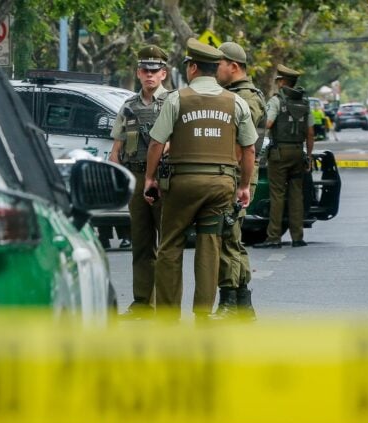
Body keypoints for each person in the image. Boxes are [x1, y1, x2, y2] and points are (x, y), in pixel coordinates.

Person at [143, 39, 257, 322]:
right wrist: (244, 186)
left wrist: (149, 178)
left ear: (192, 68)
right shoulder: (236, 102)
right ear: (216, 69)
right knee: (210, 246)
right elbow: (249, 149)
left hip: (182, 185)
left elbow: (157, 143)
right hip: (220, 185)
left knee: (170, 245)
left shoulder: (176, 99)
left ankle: (168, 317)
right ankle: (203, 315)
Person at [109, 45, 169, 318]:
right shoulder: (129, 105)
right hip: (134, 175)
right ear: (138, 73)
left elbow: (179, 140)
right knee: (141, 243)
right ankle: (143, 303)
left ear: (163, 74)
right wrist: (115, 176)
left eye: (154, 71)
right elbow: (116, 148)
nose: (149, 75)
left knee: (167, 244)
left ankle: (167, 304)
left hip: (163, 177)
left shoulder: (174, 102)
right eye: (145, 70)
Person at [213, 41, 264, 321]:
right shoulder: (235, 94)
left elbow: (245, 144)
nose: (215, 70)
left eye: (219, 64)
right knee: (232, 236)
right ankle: (242, 305)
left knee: (227, 236)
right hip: (234, 173)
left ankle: (230, 302)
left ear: (233, 66)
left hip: (237, 174)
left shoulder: (245, 98)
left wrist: (240, 181)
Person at [254, 64, 314, 249]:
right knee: (296, 195)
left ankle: (273, 237)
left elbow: (269, 124)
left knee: (277, 195)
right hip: (298, 152)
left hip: (279, 154)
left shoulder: (276, 101)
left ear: (282, 82)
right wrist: (309, 156)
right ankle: (298, 237)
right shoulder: (304, 103)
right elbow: (310, 133)